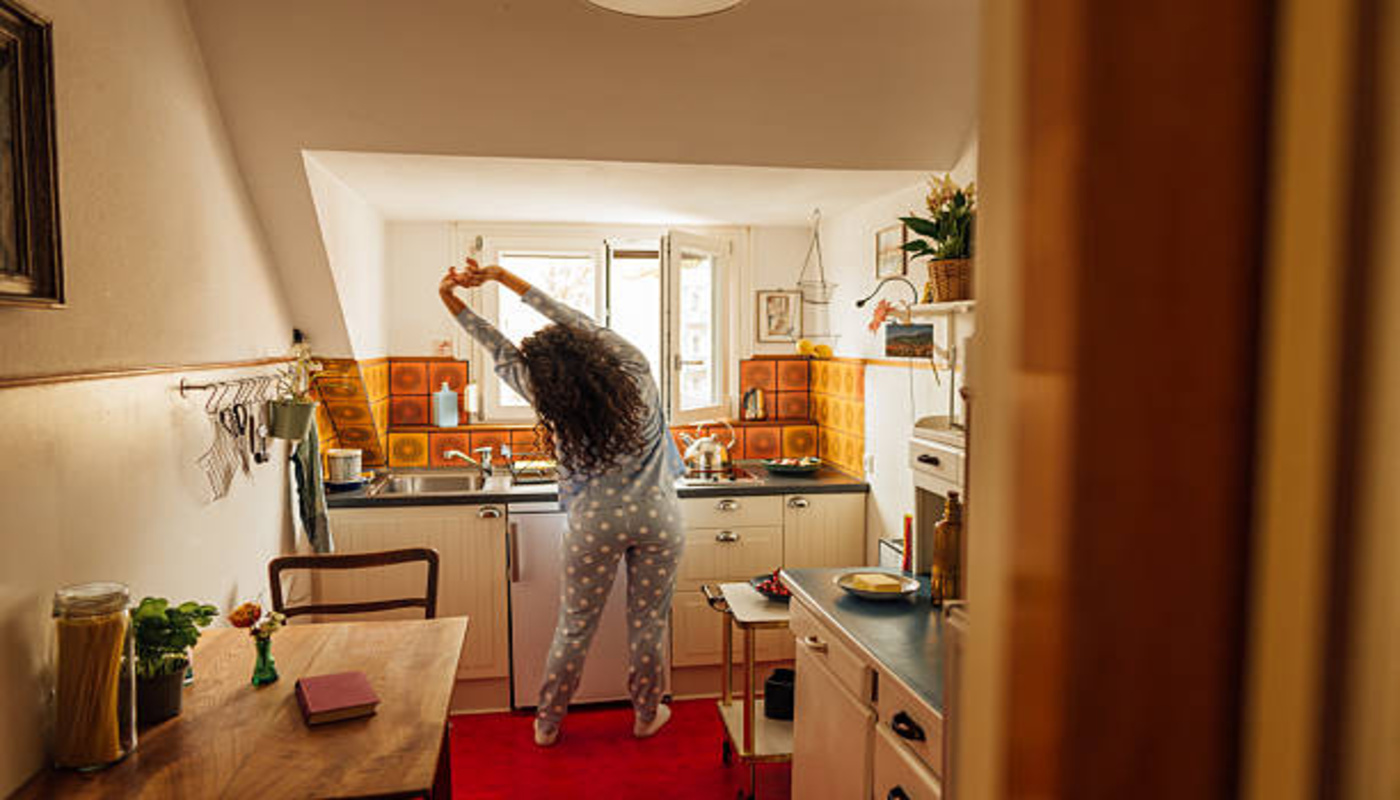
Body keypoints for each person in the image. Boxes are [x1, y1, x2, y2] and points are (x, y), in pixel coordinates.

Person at [438, 259, 686, 747]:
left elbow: (496, 345)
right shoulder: (635, 367)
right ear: (591, 351)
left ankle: (548, 724)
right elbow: (573, 317)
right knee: (648, 624)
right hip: (659, 517)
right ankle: (645, 714)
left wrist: (450, 297)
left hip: (594, 522)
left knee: (575, 626)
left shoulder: (543, 391)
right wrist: (501, 277)